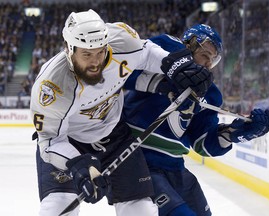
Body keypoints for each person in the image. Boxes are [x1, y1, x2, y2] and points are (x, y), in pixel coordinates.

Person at [30, 10, 214, 216]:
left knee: (141, 209)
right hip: (69, 143)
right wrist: (79, 166)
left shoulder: (121, 40)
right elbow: (50, 143)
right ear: (69, 49)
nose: (95, 62)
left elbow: (145, 52)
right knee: (57, 208)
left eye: (100, 52)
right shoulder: (51, 87)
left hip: (115, 138)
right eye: (87, 54)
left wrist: (177, 67)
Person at [123, 24, 269, 216]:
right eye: (205, 54)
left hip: (175, 167)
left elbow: (202, 144)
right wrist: (166, 86)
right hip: (139, 160)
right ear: (190, 45)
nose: (209, 63)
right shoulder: (166, 49)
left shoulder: (210, 94)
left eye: (213, 59)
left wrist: (237, 133)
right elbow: (122, 73)